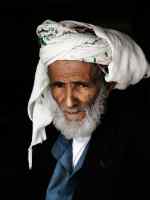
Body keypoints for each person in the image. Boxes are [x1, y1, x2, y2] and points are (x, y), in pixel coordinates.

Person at [27, 19, 150, 200]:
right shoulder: (42, 141)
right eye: (59, 85)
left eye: (82, 86)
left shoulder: (135, 148)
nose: (69, 102)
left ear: (108, 85)